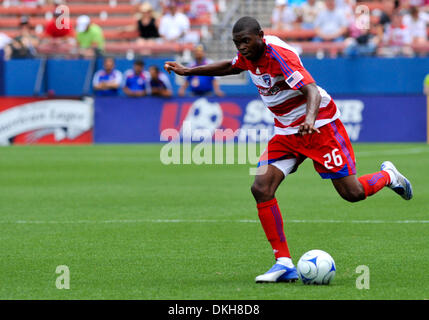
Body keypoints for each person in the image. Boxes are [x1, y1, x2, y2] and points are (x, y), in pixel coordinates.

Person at [164, 16, 413, 283]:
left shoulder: (279, 56)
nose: (242, 48)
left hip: (320, 128)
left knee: (352, 193)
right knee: (261, 188)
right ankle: (283, 263)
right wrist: (188, 71)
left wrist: (308, 119)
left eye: (246, 41)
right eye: (237, 43)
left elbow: (312, 91)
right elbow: (230, 66)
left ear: (260, 35)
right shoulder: (248, 54)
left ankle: (388, 176)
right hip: (286, 133)